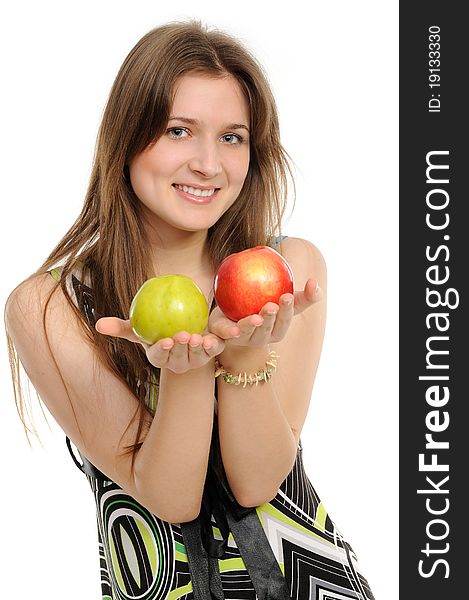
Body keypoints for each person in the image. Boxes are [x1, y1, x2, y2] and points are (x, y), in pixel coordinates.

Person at [5, 20, 375, 600]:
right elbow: (171, 497)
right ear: (126, 138)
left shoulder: (287, 272)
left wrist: (247, 346)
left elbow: (257, 482)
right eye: (179, 131)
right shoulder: (53, 306)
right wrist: (187, 371)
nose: (208, 163)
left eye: (233, 137)